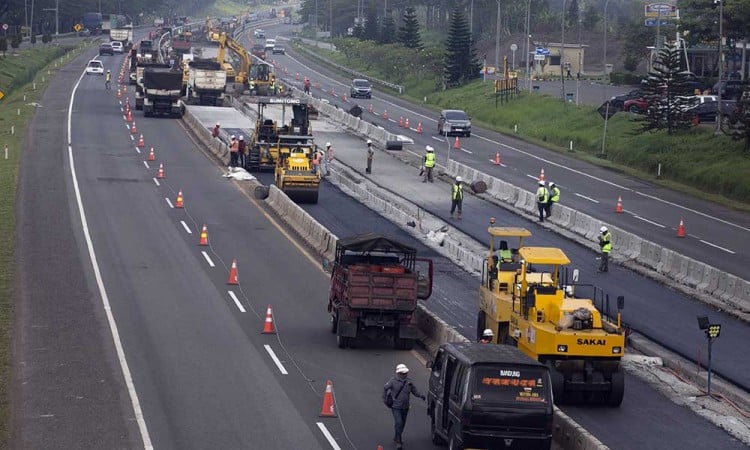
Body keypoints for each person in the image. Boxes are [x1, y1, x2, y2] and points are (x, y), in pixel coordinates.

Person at [383, 364, 425, 449]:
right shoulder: (393, 381)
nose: (404, 374)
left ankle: (396, 436)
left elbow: (414, 390)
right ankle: (399, 441)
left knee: (402, 424)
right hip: (396, 407)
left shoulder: (409, 382)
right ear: (398, 373)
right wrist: (385, 398)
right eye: (402, 373)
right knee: (399, 422)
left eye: (405, 373)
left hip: (405, 407)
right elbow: (385, 388)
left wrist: (420, 396)